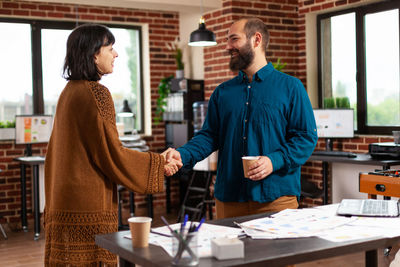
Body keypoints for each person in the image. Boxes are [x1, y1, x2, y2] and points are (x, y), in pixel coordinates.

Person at [44, 24, 181, 266]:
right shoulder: (97, 94)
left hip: (63, 202)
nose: (115, 54)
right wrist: (160, 163)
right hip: (88, 204)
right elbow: (111, 154)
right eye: (110, 48)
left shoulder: (68, 92)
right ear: (94, 54)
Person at [166, 18, 318, 219]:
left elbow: (305, 137)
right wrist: (182, 155)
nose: (228, 47)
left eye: (233, 39)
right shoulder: (222, 93)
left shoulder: (291, 88)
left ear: (256, 40)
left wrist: (274, 161)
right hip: (229, 199)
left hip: (276, 199)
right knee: (229, 252)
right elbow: (209, 136)